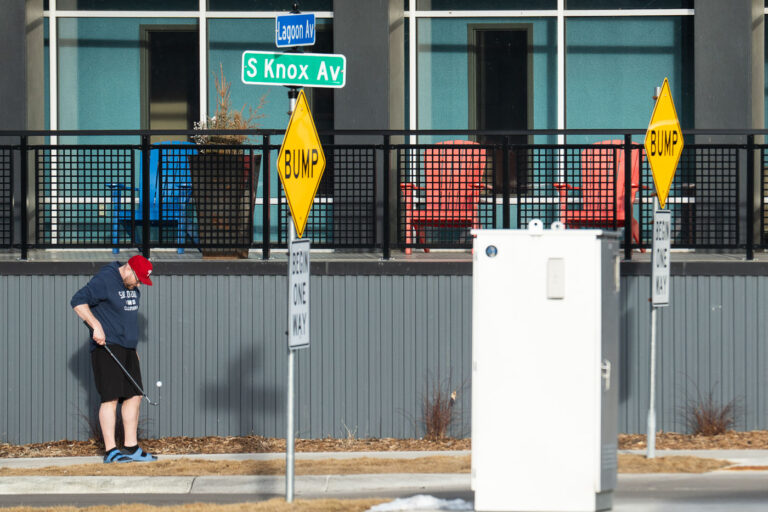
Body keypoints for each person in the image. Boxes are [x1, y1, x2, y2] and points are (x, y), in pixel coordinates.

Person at [71, 255, 158, 463]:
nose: (138, 284)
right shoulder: (105, 280)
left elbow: (126, 319)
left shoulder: (131, 286)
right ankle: (111, 451)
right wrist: (96, 326)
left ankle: (131, 447)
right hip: (107, 348)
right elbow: (78, 301)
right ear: (128, 269)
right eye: (137, 279)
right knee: (110, 398)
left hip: (128, 348)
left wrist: (133, 347)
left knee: (135, 396)